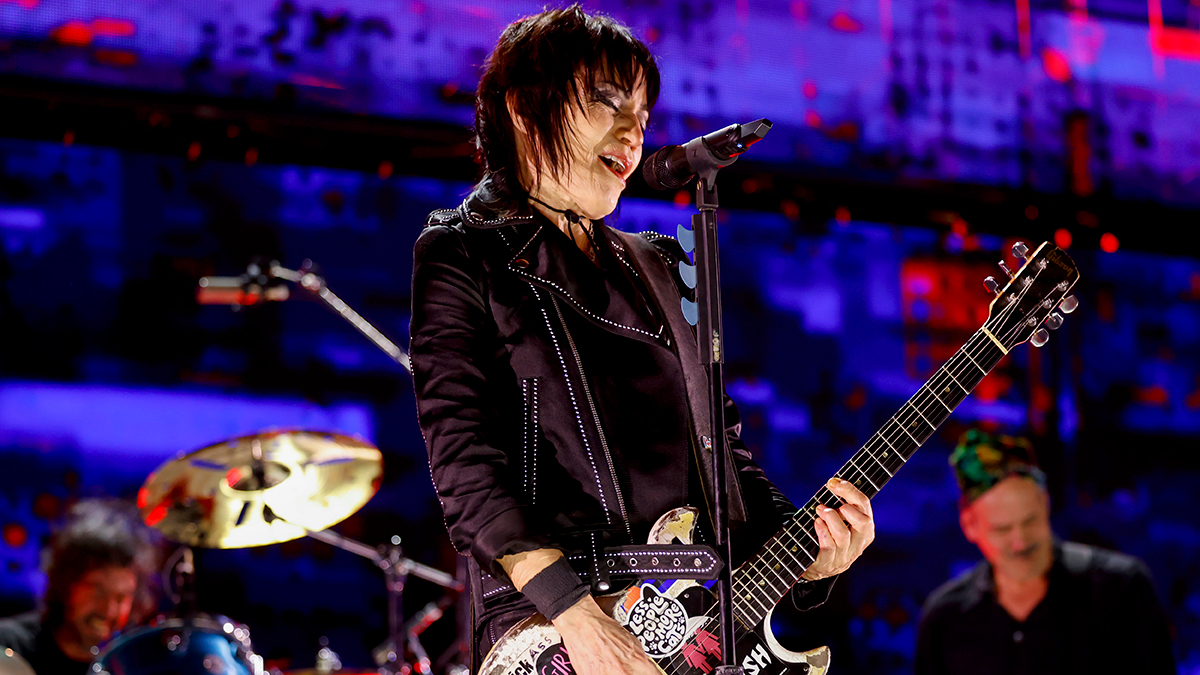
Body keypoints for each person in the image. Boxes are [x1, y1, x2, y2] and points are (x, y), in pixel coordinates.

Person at [408, 6, 876, 675]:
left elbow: (727, 465)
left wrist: (814, 558)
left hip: (696, 626)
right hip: (555, 622)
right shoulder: (463, 251)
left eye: (645, 117)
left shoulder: (661, 265)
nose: (634, 133)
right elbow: (465, 467)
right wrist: (577, 615)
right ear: (520, 107)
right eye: (607, 104)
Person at [915, 430, 1176, 675]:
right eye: (1002, 529)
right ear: (969, 525)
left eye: (1030, 521)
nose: (1020, 542)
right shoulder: (944, 618)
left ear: (1045, 502)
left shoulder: (1121, 588)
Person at [0, 499, 159, 675]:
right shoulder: (9, 645)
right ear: (66, 583)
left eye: (122, 597)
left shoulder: (127, 667)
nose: (109, 610)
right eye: (98, 591)